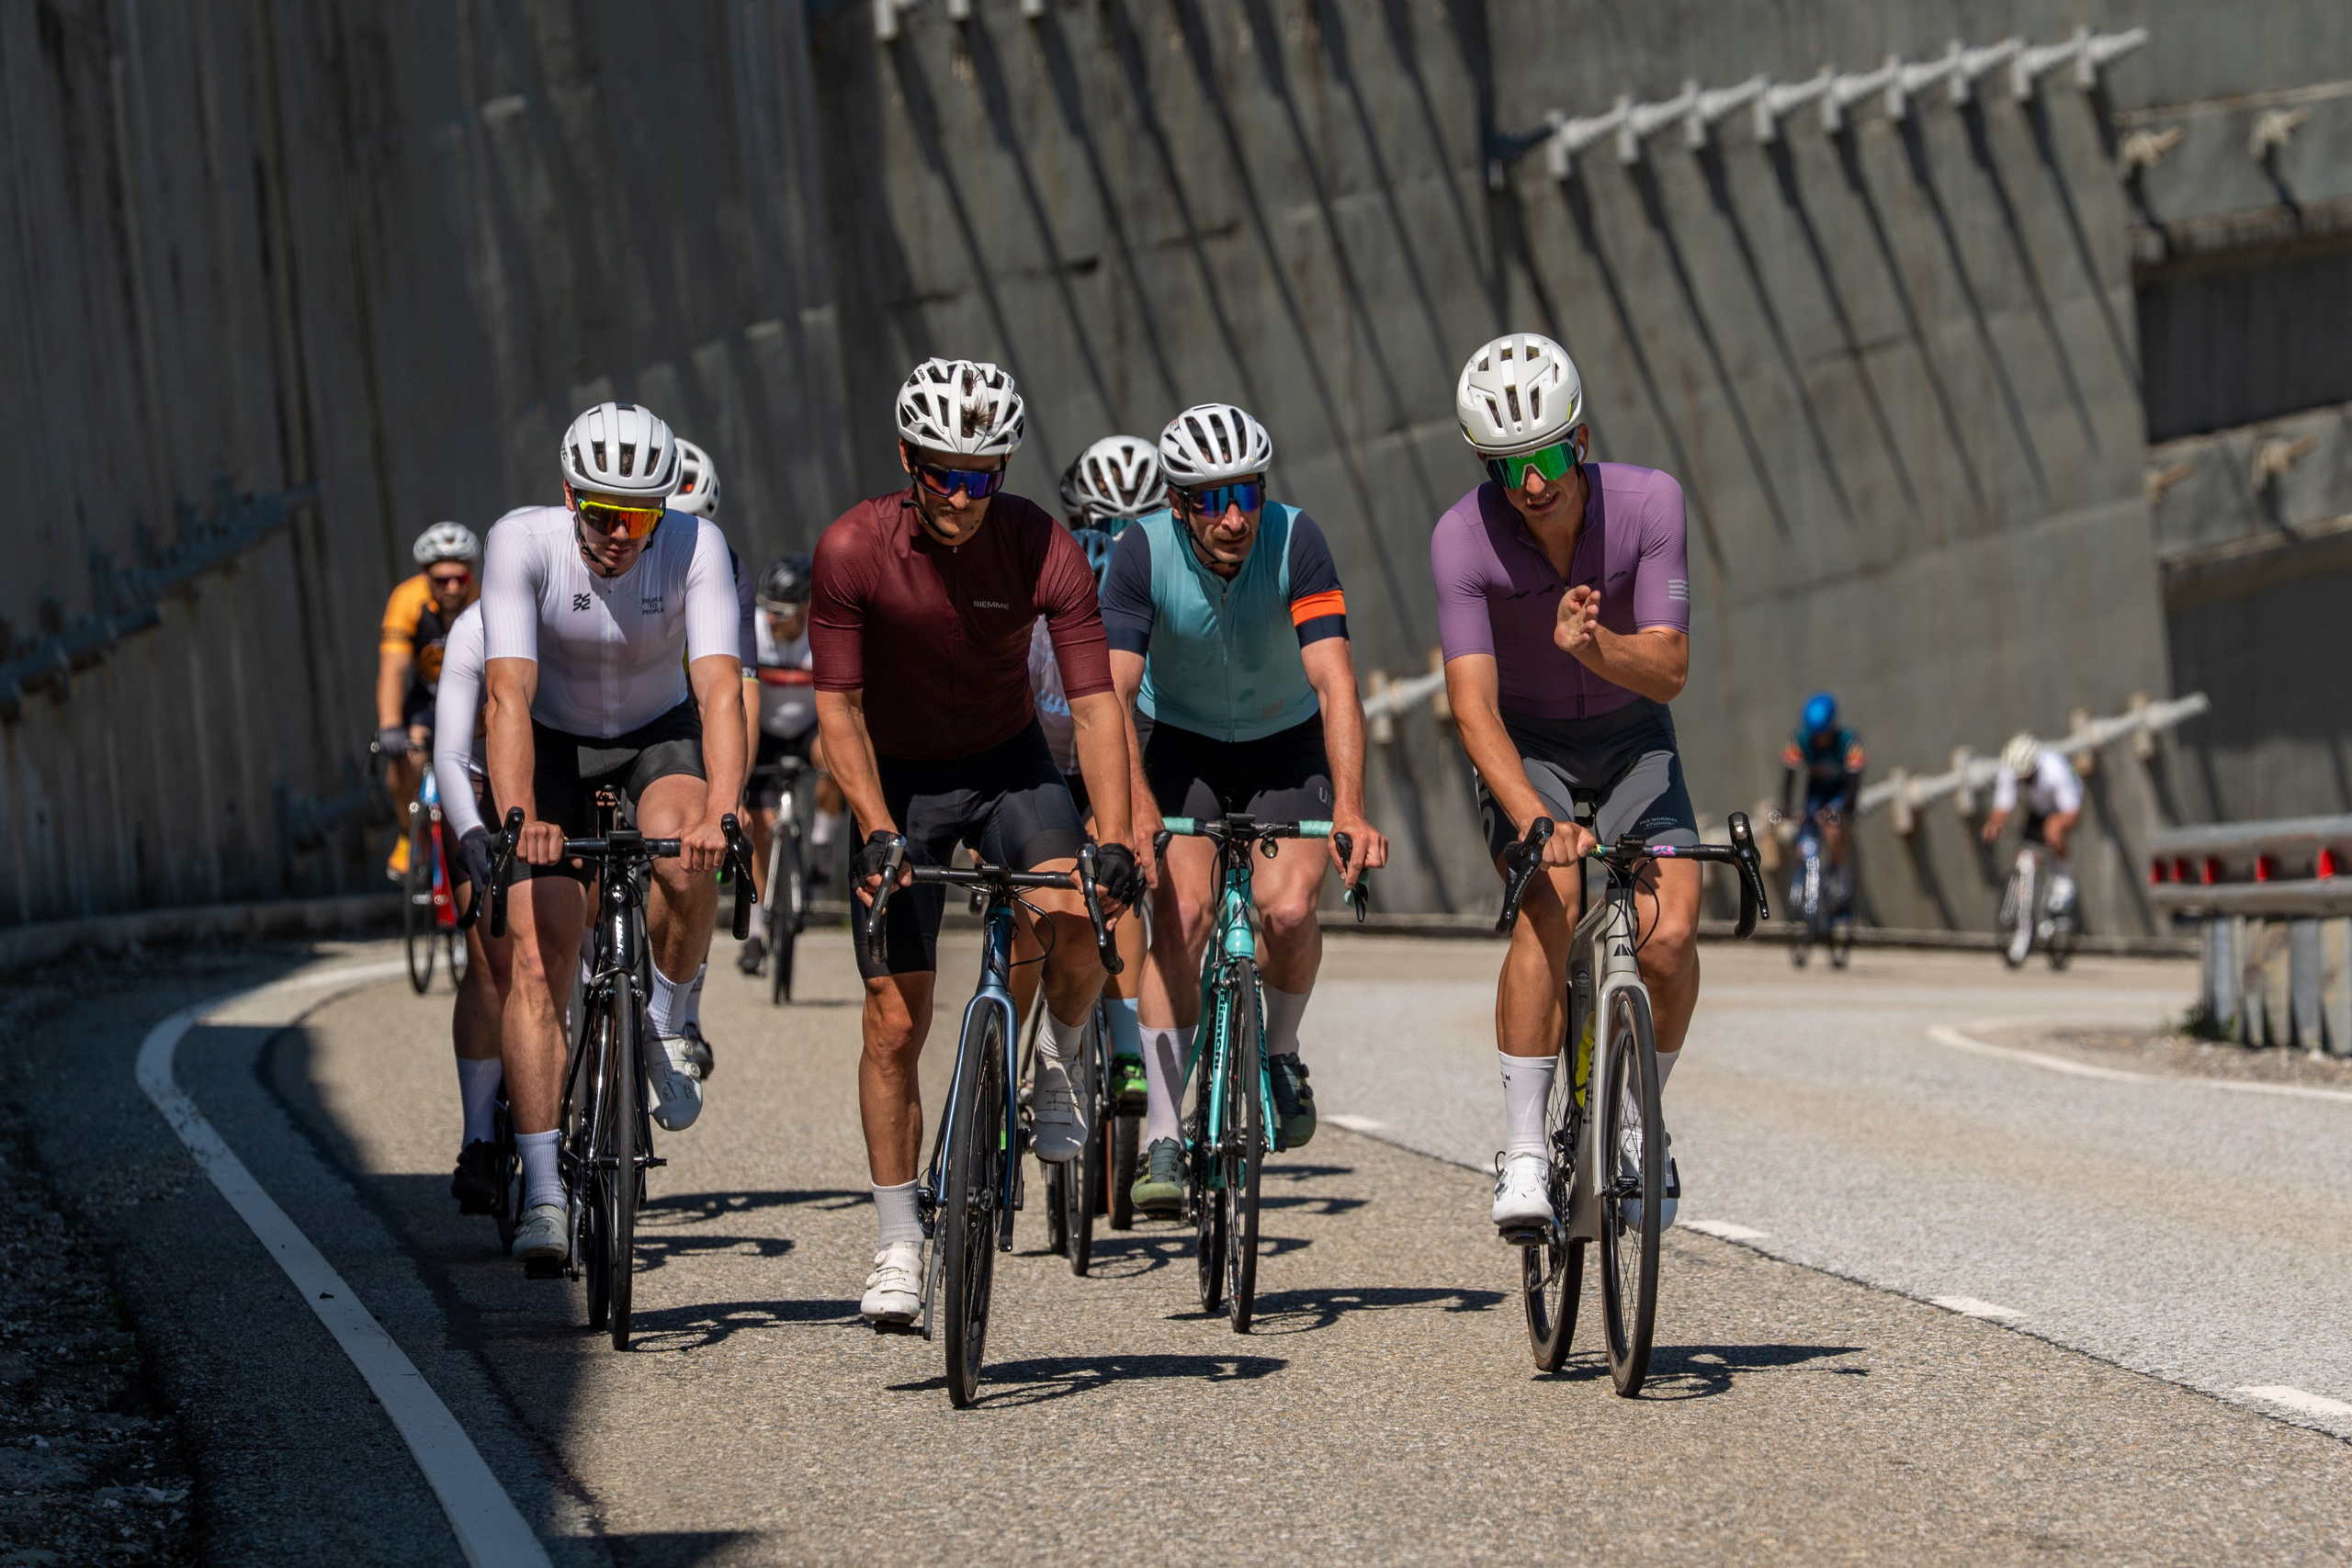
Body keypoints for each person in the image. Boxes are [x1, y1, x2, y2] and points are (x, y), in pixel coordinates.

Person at [810, 357, 1141, 1325]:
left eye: (983, 474)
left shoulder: (1043, 546)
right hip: (900, 781)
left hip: (1007, 768)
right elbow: (838, 711)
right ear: (907, 459)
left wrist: (1113, 837)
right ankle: (898, 1242)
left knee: (1077, 911)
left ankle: (1056, 1062)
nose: (962, 495)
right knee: (894, 1025)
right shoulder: (853, 547)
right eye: (944, 473)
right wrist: (875, 829)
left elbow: (1094, 708)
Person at [1431, 333, 1697, 1238]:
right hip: (1526, 746)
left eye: (1545, 457)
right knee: (1553, 895)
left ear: (1577, 438)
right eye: (1507, 468)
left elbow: (1668, 673)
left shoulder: (1650, 503)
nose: (1531, 484)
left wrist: (1596, 649)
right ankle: (1525, 1152)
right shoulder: (1461, 538)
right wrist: (1534, 820)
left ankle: (1640, 1126)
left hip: (1633, 739)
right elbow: (1471, 710)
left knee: (1670, 936)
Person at [481, 401, 749, 1268]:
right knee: (540, 952)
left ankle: (668, 1017)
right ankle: (545, 1194)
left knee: (681, 848)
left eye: (639, 516)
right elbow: (508, 695)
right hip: (552, 739)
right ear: (569, 497)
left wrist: (725, 810)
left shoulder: (695, 546)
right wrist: (521, 820)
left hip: (653, 731)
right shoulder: (521, 542)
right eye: (601, 513)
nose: (619, 534)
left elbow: (718, 692)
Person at [1103, 404, 1387, 1216]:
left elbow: (1335, 680)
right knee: (1182, 912)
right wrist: (1140, 809)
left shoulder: (1296, 539)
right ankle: (1163, 1130)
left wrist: (1354, 809)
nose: (1235, 517)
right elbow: (1116, 693)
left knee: (1290, 909)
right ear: (1180, 504)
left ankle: (1283, 1052)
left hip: (1282, 742)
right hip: (1178, 744)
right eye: (1212, 498)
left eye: (1249, 494)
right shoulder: (1140, 552)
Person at [1008, 437, 1169, 1118]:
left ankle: (1126, 1045)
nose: (1120, 543)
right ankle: (996, 1051)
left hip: (1122, 755)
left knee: (1119, 871)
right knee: (1031, 908)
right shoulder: (1046, 586)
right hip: (1042, 761)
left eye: (1142, 525)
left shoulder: (1162, 596)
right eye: (1105, 525)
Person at [430, 600, 517, 1217]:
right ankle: (479, 1138)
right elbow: (452, 753)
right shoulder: (472, 629)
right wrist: (469, 828)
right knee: (491, 962)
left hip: (566, 783)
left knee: (590, 943)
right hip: (484, 789)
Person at [738, 553, 851, 974]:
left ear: (806, 609)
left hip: (807, 728)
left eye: (782, 613)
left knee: (838, 756)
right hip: (763, 730)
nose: (770, 621)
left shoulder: (824, 635)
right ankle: (753, 933)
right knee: (759, 825)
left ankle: (821, 843)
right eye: (766, 609)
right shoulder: (753, 630)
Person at [378, 524, 481, 878]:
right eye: (441, 580)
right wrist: (391, 726)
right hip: (429, 695)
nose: (452, 587)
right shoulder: (406, 599)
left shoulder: (485, 601)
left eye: (460, 578)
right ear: (426, 577)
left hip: (472, 693)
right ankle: (410, 832)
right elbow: (392, 670)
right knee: (406, 750)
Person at [1777, 691, 1865, 909]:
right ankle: (1805, 881)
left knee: (1831, 830)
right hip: (1815, 793)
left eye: (1824, 734)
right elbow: (1789, 776)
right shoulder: (1799, 741)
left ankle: (1838, 874)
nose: (1820, 740)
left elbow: (1854, 781)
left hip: (1839, 793)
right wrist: (1787, 807)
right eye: (1816, 735)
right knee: (1803, 840)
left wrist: (1845, 809)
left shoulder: (1849, 741)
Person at [1982, 731, 2082, 917]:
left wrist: (2058, 824)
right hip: (2036, 807)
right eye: (2019, 778)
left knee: (2052, 830)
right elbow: (2003, 804)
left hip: (2062, 806)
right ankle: (2029, 902)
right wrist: (1994, 823)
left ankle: (2065, 881)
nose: (2022, 781)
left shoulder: (2056, 769)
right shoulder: (2010, 770)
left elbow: (2072, 812)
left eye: (2027, 777)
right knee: (2023, 854)